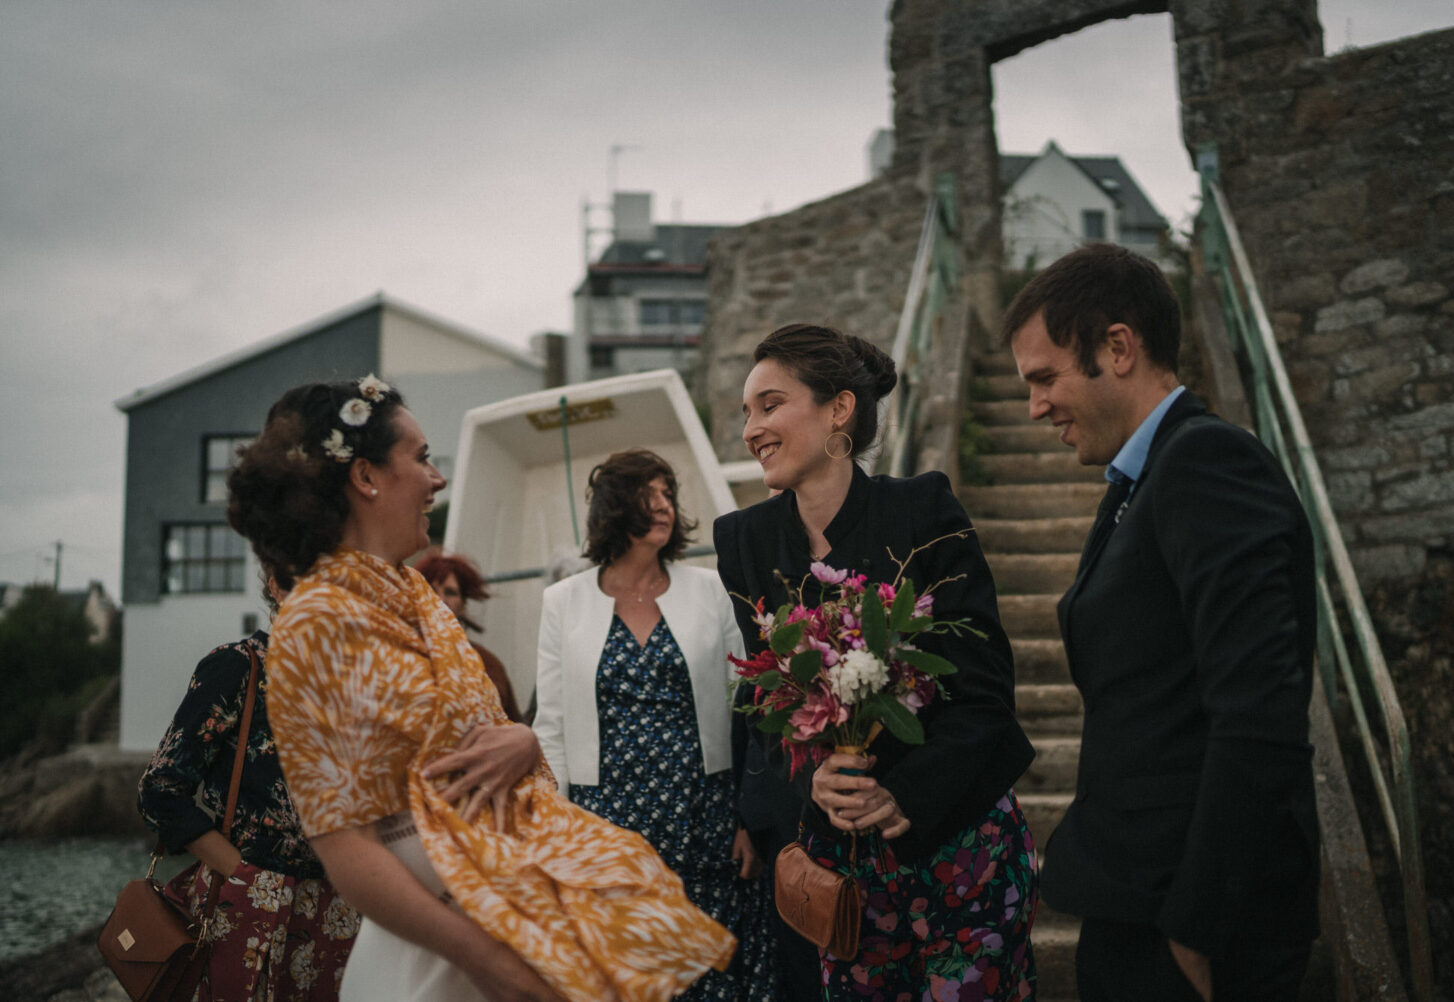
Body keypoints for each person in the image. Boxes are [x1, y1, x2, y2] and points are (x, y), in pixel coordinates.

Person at [226, 377, 735, 1002]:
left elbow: (483, 730)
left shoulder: (415, 597)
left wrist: (522, 739)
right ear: (365, 476)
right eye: (420, 458)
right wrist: (486, 959)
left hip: (511, 905)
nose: (437, 480)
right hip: (444, 945)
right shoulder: (316, 621)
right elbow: (344, 846)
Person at [1001, 243, 1319, 1001]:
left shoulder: (1208, 463)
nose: (1035, 406)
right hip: (1138, 898)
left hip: (1193, 919)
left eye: (1045, 379)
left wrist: (1197, 925)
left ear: (1118, 347)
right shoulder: (1141, 480)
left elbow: (1260, 712)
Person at [714, 324, 1039, 1001]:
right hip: (846, 871)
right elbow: (767, 706)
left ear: (839, 409)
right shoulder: (743, 540)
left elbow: (983, 688)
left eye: (770, 405)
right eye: (746, 412)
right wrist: (815, 783)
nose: (751, 429)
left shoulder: (923, 509)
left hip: (959, 842)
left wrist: (904, 795)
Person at [533, 448, 773, 1002]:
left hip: (704, 815)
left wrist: (750, 819)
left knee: (710, 975)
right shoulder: (561, 602)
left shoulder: (710, 589)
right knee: (625, 977)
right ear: (616, 506)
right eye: (649, 494)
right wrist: (556, 831)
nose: (664, 506)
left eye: (668, 494)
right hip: (607, 821)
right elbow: (552, 726)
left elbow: (751, 706)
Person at [138, 571, 356, 1001]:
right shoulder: (238, 667)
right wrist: (241, 873)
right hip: (248, 910)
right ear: (276, 583)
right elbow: (160, 789)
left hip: (336, 915)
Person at [416, 551, 526, 722]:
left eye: (450, 592)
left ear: (463, 605)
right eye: (431, 590)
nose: (440, 599)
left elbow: (512, 725)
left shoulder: (488, 664)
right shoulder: (401, 651)